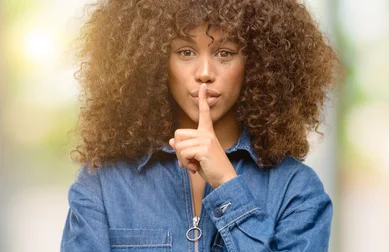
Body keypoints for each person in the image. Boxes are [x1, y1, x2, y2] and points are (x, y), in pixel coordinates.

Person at [60, 0, 339, 251]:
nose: (205, 73)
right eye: (185, 51)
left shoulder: (296, 190)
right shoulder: (104, 184)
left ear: (257, 63)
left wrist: (227, 185)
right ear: (155, 62)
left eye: (225, 53)